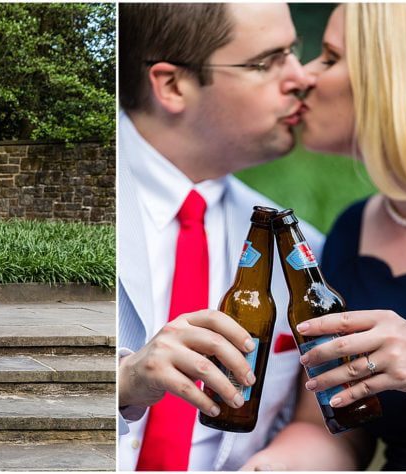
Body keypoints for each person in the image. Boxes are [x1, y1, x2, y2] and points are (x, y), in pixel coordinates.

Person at [116, 3, 324, 470]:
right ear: (172, 85)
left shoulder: (306, 250)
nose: (301, 77)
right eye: (266, 62)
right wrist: (122, 380)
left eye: (293, 51)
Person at [241, 4, 406, 470]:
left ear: (391, 78)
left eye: (329, 57)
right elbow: (336, 429)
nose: (304, 74)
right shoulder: (350, 232)